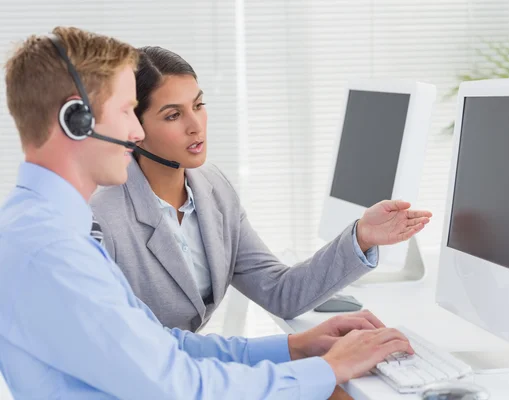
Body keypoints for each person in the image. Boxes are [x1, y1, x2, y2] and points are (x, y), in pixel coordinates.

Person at [0, 26, 415, 399]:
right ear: (77, 120)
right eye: (127, 111)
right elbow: (174, 384)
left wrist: (297, 348)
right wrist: (327, 369)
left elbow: (162, 347)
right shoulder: (55, 249)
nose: (135, 132)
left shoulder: (50, 230)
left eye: (197, 106)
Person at [89, 46, 433, 331]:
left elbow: (280, 291)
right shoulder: (102, 217)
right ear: (133, 125)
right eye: (173, 115)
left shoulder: (214, 190)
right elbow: (124, 346)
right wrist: (290, 349)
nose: (196, 126)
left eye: (198, 105)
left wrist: (362, 236)